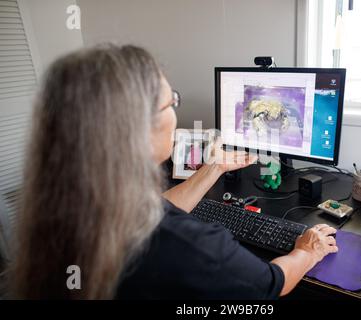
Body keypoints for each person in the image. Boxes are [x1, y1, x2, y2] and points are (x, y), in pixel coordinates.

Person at [11, 44, 338, 299]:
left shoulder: (64, 207)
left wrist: (214, 169)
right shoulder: (188, 243)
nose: (175, 114)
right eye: (171, 103)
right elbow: (269, 285)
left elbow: (153, 212)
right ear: (134, 128)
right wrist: (306, 252)